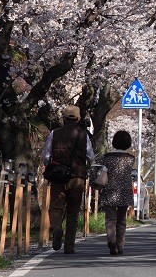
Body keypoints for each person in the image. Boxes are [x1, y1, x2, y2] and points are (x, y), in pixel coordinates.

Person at [43, 105, 94, 253]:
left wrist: (52, 166)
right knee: (73, 212)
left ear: (63, 119)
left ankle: (57, 228)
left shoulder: (54, 133)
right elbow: (90, 156)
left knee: (56, 207)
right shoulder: (83, 135)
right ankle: (69, 246)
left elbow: (46, 156)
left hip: (58, 176)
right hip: (77, 177)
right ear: (78, 119)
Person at [98, 130, 134, 256]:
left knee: (110, 219)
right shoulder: (131, 159)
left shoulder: (106, 157)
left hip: (109, 190)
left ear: (114, 142)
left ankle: (112, 240)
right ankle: (120, 245)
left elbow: (98, 170)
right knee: (122, 220)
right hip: (125, 191)